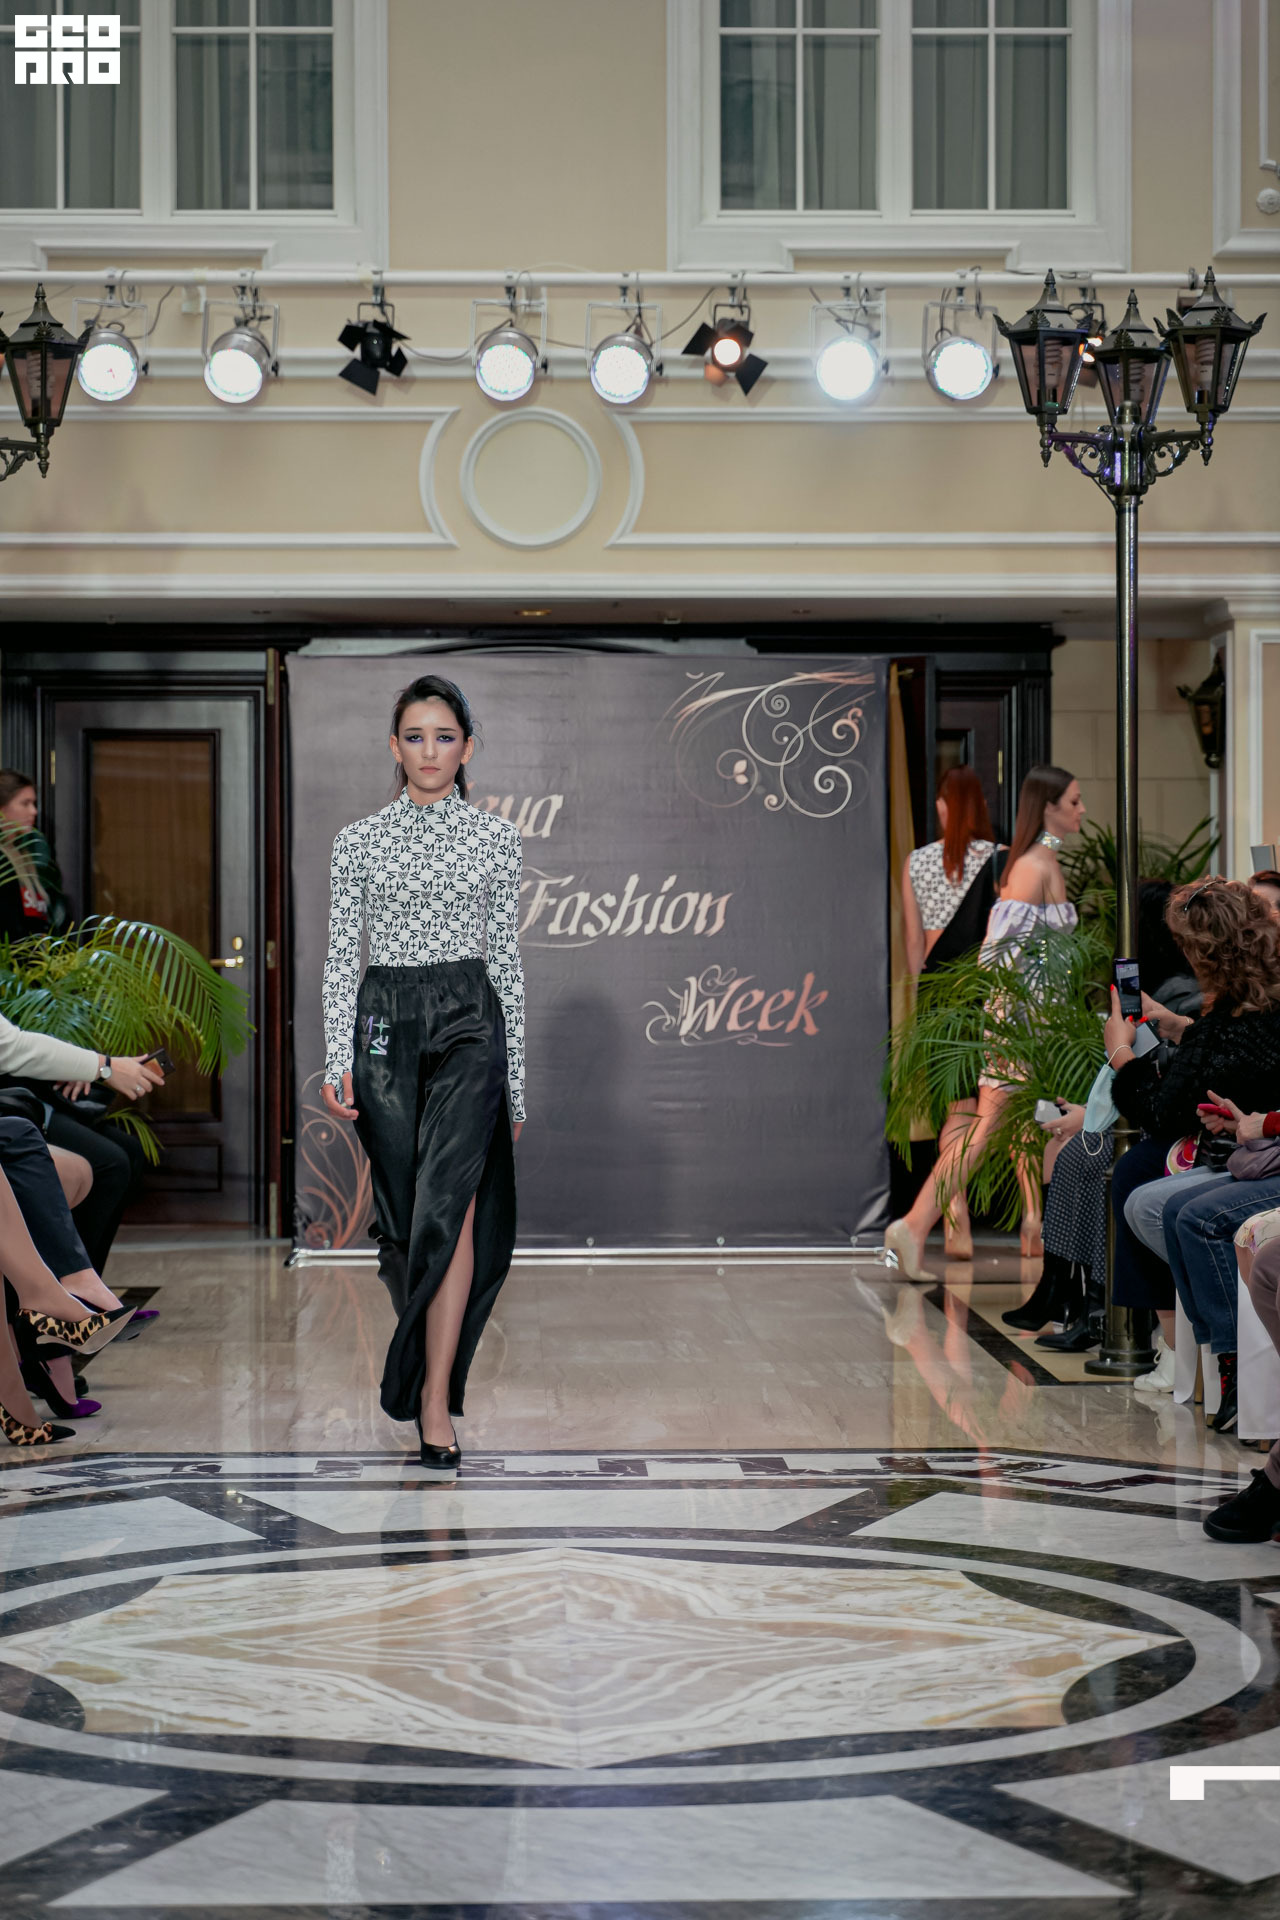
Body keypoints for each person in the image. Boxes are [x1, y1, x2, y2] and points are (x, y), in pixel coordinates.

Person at [321, 675, 525, 1469]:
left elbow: (505, 959)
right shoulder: (358, 841)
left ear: (467, 749)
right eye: (415, 736)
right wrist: (337, 1056)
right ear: (394, 746)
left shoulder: (496, 838)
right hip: (385, 1023)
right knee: (408, 1225)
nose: (430, 751)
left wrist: (517, 1081)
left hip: (470, 1019)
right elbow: (342, 957)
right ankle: (422, 1361)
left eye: (445, 737)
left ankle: (435, 1397)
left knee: (452, 1210)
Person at [885, 765, 1085, 1280]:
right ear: (1049, 807)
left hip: (1033, 1024)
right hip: (1020, 1026)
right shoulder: (1028, 867)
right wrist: (1005, 1031)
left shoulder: (1038, 859)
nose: (1082, 810)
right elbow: (1000, 955)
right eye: (1074, 801)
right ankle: (920, 1224)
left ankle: (923, 1226)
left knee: (1018, 1127)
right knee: (997, 1129)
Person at [1107, 880, 1280, 1428]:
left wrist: (1121, 1054)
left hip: (1263, 1152)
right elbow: (1216, 1060)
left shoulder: (1240, 1015)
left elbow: (1162, 1108)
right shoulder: (1243, 1006)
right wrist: (1182, 1028)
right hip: (1258, 1148)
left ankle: (1231, 1362)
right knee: (1152, 1201)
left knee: (1185, 1213)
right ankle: (1216, 1354)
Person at [1003, 877, 1200, 1345]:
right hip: (1151, 1113)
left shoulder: (1182, 994)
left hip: (1168, 1126)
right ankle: (1067, 1289)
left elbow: (1162, 1084)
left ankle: (1095, 1303)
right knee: (1071, 1150)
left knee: (1091, 1157)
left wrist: (1109, 1083)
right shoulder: (1169, 993)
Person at [899, 766, 999, 1260]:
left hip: (937, 992)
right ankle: (966, 1206)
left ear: (942, 806)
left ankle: (954, 1211)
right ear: (980, 806)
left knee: (954, 1105)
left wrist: (921, 1003)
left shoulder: (916, 861)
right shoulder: (998, 858)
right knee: (985, 1106)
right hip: (982, 990)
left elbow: (913, 944)